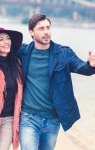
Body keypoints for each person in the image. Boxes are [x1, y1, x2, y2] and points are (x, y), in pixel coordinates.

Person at [16, 14, 95, 150]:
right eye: (41, 28)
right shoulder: (23, 52)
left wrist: (91, 65)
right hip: (29, 117)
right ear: (31, 32)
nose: (46, 31)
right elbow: (1, 58)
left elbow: (82, 68)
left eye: (48, 27)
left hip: (52, 120)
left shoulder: (64, 53)